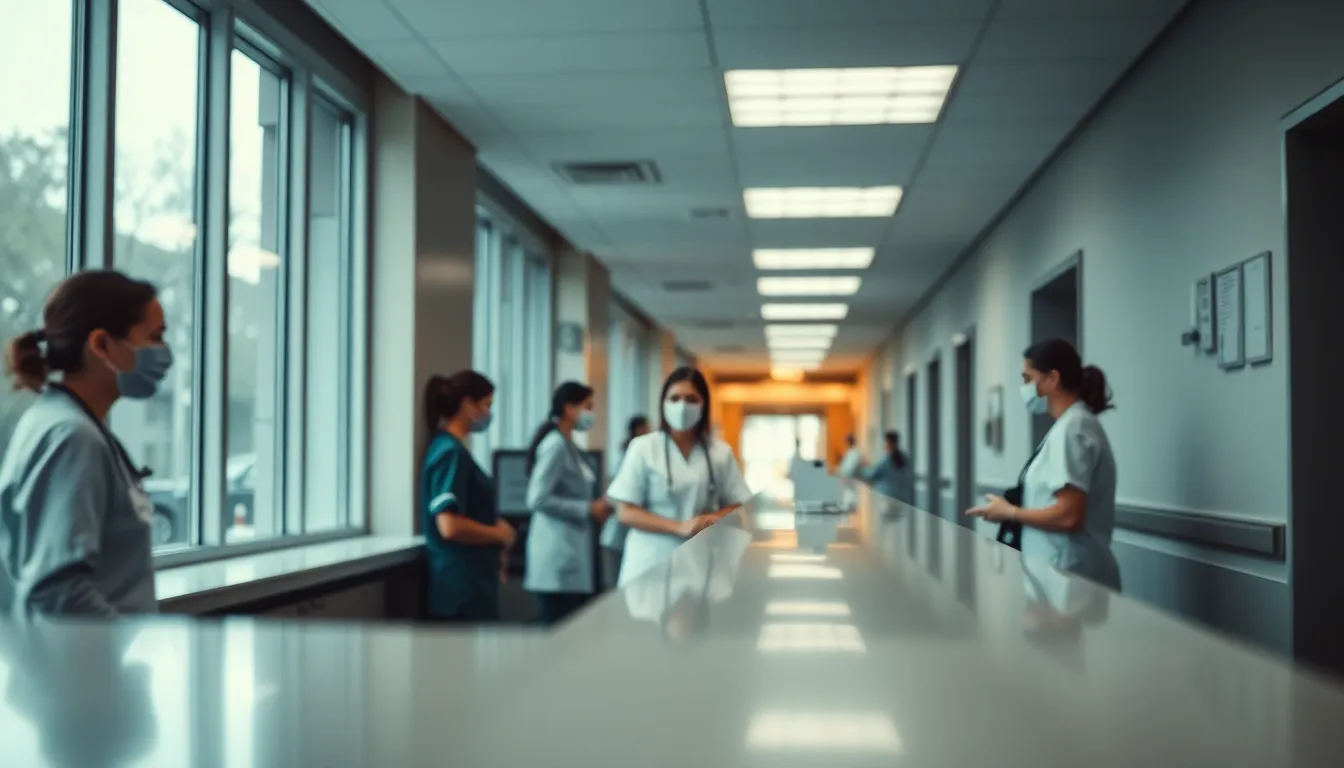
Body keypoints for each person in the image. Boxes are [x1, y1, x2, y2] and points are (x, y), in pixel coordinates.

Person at [0, 270, 171, 617]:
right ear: (101, 344)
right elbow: (58, 594)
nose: (164, 353)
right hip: (88, 669)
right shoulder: (71, 438)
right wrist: (124, 663)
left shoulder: (69, 425)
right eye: (154, 337)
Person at [966, 338, 1120, 590]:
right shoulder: (1068, 426)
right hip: (1062, 576)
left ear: (1052, 379)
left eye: (1027, 378)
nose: (1023, 387)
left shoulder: (1074, 428)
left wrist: (1010, 513)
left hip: (1073, 578)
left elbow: (1070, 514)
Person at [605, 367, 753, 586]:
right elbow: (625, 513)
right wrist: (679, 526)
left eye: (691, 399)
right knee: (644, 616)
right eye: (674, 398)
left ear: (704, 405)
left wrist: (710, 519)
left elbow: (736, 505)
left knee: (702, 615)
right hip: (649, 561)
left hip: (702, 558)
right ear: (663, 404)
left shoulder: (720, 452)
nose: (682, 406)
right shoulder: (643, 448)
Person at [420, 370, 515, 622]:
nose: (489, 413)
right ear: (467, 404)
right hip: (462, 587)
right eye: (487, 405)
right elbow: (449, 526)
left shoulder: (452, 450)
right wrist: (499, 534)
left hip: (472, 582)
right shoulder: (450, 453)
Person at [523, 381, 613, 626]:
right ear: (569, 408)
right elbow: (537, 498)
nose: (591, 414)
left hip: (572, 554)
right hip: (557, 558)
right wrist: (587, 509)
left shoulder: (568, 445)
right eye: (588, 407)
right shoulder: (555, 446)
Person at [599, 414, 650, 587]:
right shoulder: (629, 456)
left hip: (630, 537)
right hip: (616, 536)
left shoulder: (638, 454)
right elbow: (617, 496)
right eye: (646, 427)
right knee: (615, 590)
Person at [861, 430, 914, 505]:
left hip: (888, 502)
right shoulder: (906, 459)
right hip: (904, 502)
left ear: (888, 442)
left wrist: (864, 465)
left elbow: (870, 476)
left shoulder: (886, 460)